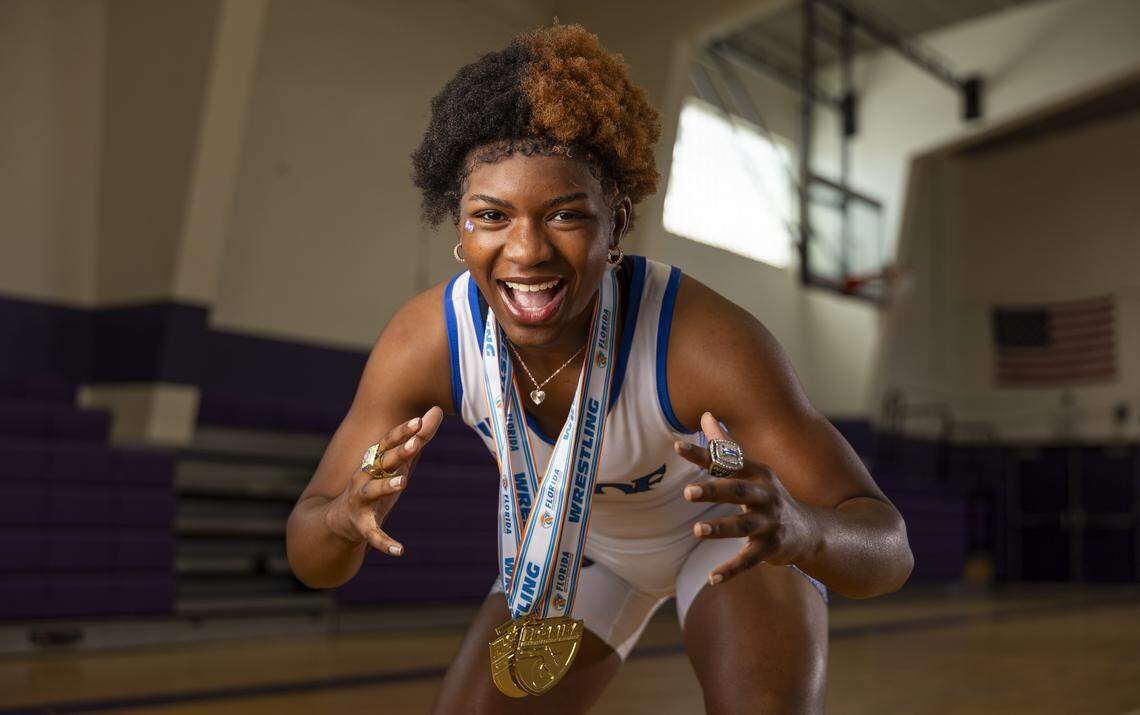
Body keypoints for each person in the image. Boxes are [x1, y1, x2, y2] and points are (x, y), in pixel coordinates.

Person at [286, 23, 913, 714]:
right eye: (491, 215)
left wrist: (801, 529)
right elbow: (312, 557)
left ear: (615, 220)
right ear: (459, 226)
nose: (526, 250)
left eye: (564, 215)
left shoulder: (704, 341)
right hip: (573, 551)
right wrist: (343, 519)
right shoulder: (428, 339)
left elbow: (888, 550)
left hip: (729, 536)